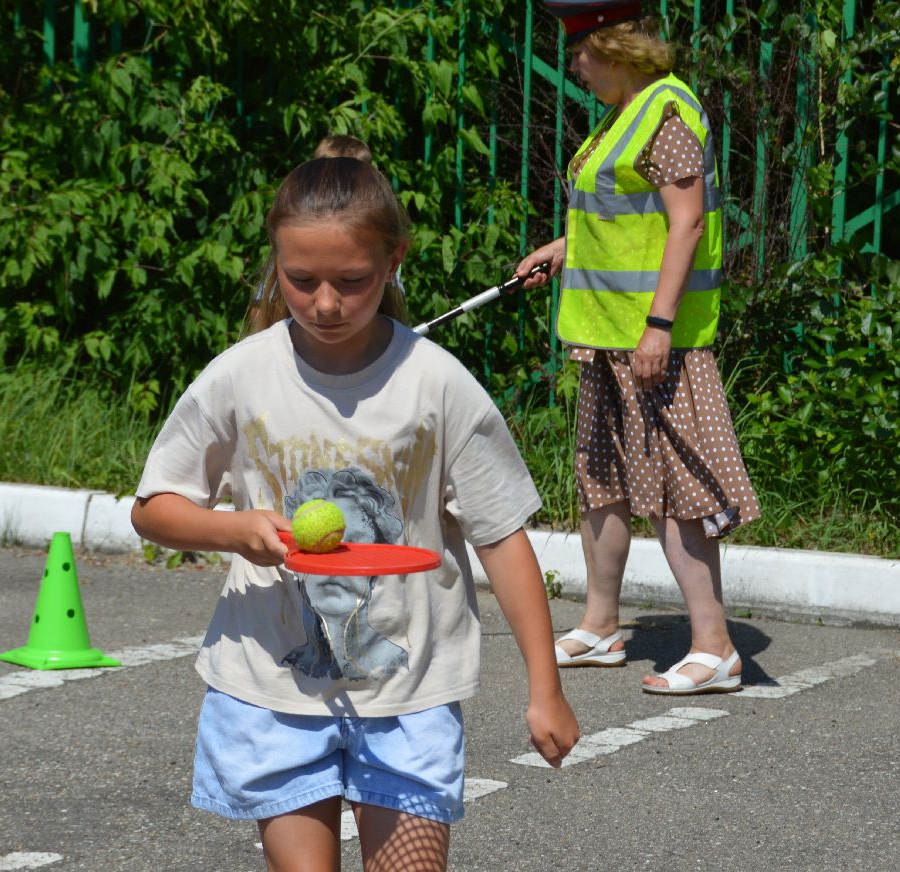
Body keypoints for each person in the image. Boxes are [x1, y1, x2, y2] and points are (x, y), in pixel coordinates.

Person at [134, 157, 578, 871]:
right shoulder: (242, 373)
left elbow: (501, 537)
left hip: (410, 694)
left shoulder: (435, 381)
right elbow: (154, 507)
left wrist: (545, 688)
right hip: (274, 691)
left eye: (352, 281)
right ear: (276, 261)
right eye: (301, 280)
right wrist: (233, 530)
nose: (325, 304)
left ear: (394, 259)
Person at [516, 0, 761, 695]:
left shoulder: (667, 112)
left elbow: (685, 224)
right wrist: (567, 247)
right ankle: (599, 629)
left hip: (655, 342)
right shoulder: (623, 117)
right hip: (603, 336)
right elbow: (626, 215)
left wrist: (659, 325)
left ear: (614, 52)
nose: (578, 69)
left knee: (680, 492)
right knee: (604, 485)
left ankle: (715, 647)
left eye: (582, 56)